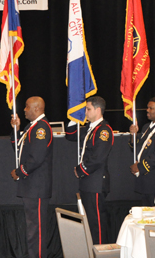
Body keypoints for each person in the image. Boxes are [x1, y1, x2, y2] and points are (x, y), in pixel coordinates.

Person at [65, 96, 113, 245]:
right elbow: (70, 134)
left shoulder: (104, 130)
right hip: (88, 183)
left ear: (98, 110)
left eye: (88, 109)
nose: (85, 112)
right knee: (90, 223)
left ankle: (100, 252)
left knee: (97, 224)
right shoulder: (90, 128)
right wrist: (75, 115)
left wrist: (81, 170)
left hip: (96, 183)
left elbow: (98, 158)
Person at [10, 96, 53, 258]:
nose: (24, 109)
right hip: (31, 187)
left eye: (27, 107)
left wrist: (19, 172)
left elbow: (36, 157)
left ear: (37, 109)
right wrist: (17, 129)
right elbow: (19, 148)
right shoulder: (31, 127)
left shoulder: (41, 128)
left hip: (37, 187)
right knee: (32, 229)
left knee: (37, 230)